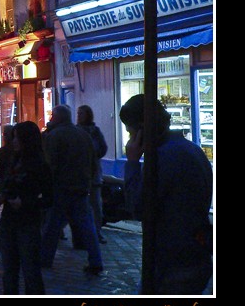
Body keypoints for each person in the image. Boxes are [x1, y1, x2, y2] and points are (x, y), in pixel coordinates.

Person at [120, 94, 213, 294]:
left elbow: (138, 207)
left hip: (173, 260)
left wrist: (132, 163)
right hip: (195, 253)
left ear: (142, 130)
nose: (130, 139)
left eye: (131, 132)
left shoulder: (162, 158)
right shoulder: (192, 150)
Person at [40, 105, 104, 275]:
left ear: (57, 118)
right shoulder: (83, 134)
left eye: (53, 116)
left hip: (61, 187)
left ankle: (45, 259)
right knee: (88, 227)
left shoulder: (55, 136)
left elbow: (50, 164)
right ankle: (96, 260)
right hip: (81, 187)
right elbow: (93, 160)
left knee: (52, 227)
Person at [0, 121, 53, 295]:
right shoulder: (13, 161)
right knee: (9, 271)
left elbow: (49, 199)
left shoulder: (40, 165)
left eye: (17, 138)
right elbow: (7, 185)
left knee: (30, 271)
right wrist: (3, 195)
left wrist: (25, 202)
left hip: (28, 222)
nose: (13, 142)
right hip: (9, 221)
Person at [77, 105, 108, 244]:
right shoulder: (76, 131)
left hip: (93, 173)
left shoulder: (95, 131)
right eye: (78, 113)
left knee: (96, 205)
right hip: (79, 174)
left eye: (82, 113)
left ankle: (97, 232)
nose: (79, 116)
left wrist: (93, 155)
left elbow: (103, 148)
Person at [0, 124, 16, 247]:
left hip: (8, 185)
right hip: (10, 185)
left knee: (7, 214)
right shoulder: (11, 151)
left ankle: (2, 239)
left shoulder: (3, 152)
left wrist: (0, 189)